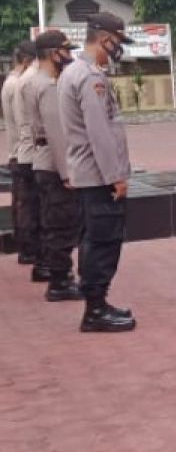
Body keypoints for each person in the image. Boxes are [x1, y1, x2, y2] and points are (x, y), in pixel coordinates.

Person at [57, 12, 137, 332]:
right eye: (118, 41)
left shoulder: (74, 71)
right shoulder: (90, 77)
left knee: (93, 238)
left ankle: (97, 304)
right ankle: (95, 310)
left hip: (87, 173)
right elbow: (99, 133)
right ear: (104, 37)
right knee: (103, 239)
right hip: (98, 175)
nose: (119, 48)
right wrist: (115, 176)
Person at [27, 30, 85, 302]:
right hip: (53, 164)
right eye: (66, 51)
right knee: (61, 224)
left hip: (43, 162)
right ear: (54, 53)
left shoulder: (35, 80)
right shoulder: (48, 85)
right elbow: (57, 133)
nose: (70, 56)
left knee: (54, 221)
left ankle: (59, 277)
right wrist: (68, 173)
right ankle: (61, 282)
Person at [4, 41, 42, 272]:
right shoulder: (18, 84)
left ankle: (26, 249)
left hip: (17, 151)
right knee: (28, 205)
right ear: (28, 60)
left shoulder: (11, 83)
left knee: (23, 204)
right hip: (23, 152)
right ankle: (29, 249)